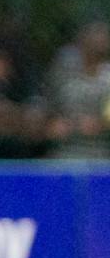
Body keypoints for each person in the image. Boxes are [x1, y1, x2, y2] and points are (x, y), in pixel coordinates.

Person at [45, 20, 110, 160]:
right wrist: (52, 123)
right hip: (64, 152)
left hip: (99, 153)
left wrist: (98, 123)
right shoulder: (64, 71)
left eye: (103, 38)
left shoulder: (108, 77)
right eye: (94, 36)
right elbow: (49, 107)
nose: (99, 42)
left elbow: (107, 117)